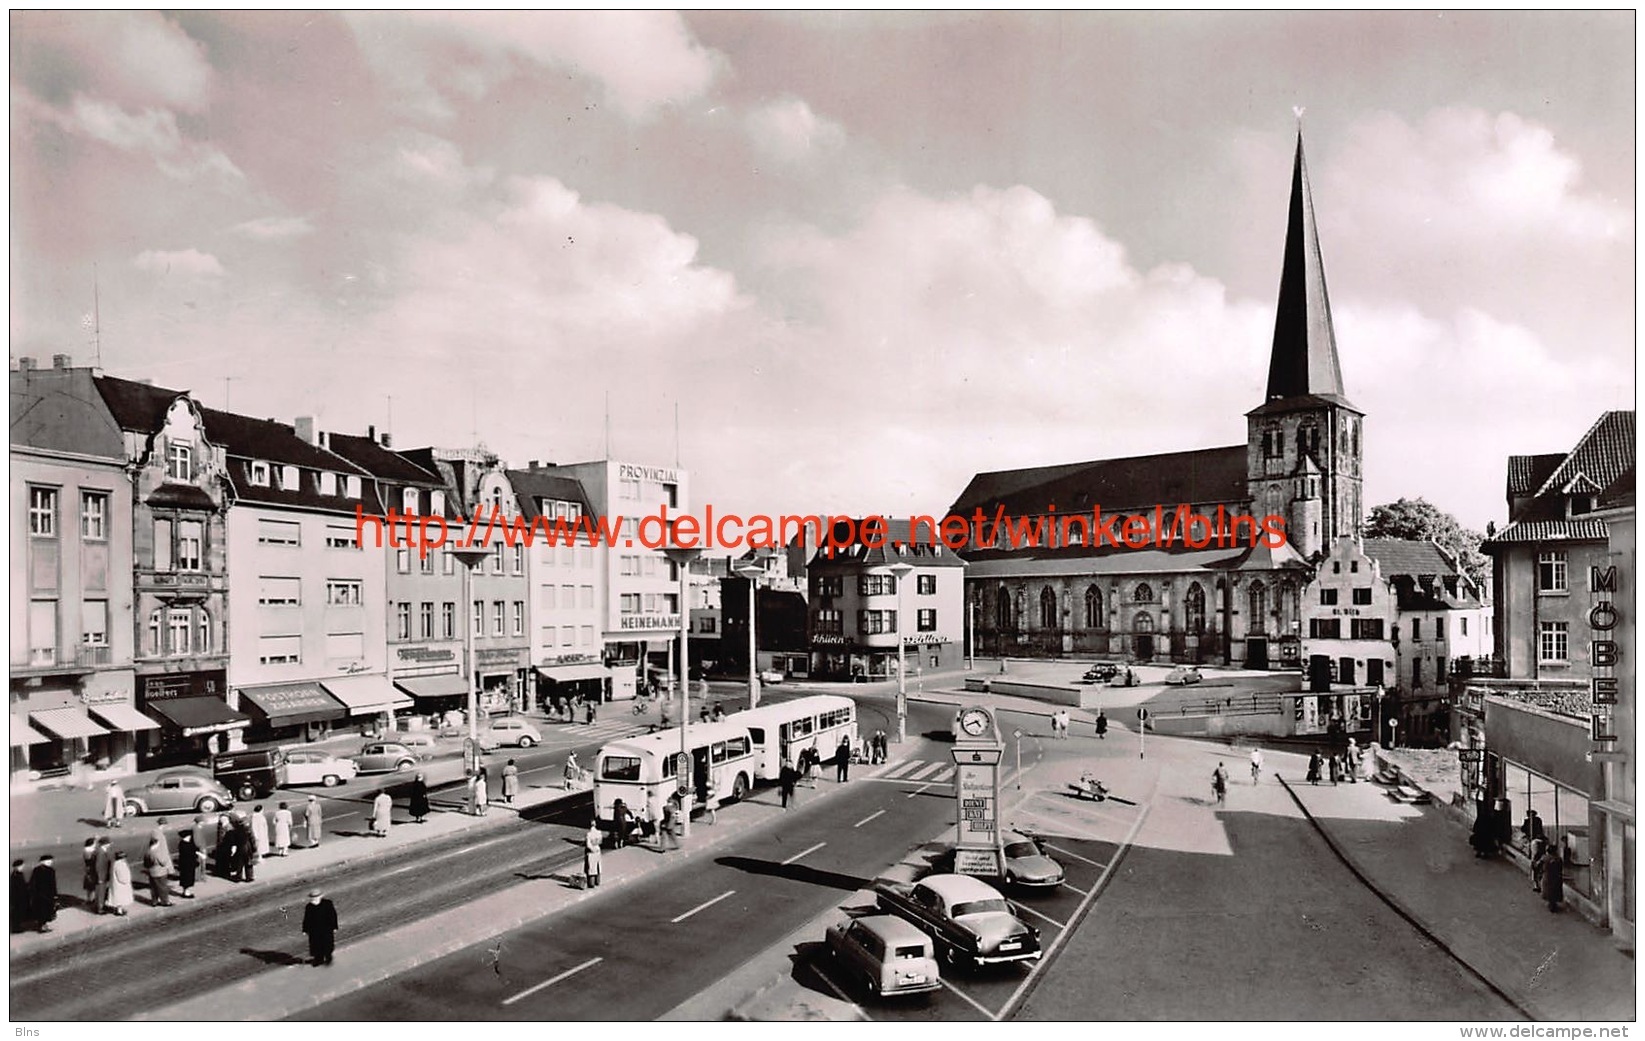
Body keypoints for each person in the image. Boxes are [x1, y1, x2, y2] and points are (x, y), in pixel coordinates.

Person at [302, 888, 339, 965]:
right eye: (313, 897)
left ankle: (328, 958)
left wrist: (334, 926)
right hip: (314, 930)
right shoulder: (309, 906)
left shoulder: (327, 904)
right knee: (316, 945)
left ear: (320, 896)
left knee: (327, 944)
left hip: (326, 929)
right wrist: (305, 929)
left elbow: (333, 915)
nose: (314, 898)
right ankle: (318, 959)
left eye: (316, 897)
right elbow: (307, 919)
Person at [30, 855, 58, 932]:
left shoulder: (39, 870)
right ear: (43, 862)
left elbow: (52, 884)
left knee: (44, 910)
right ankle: (42, 926)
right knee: (44, 910)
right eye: (49, 861)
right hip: (44, 894)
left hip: (43, 894)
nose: (50, 862)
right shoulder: (48, 870)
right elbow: (52, 884)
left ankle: (42, 924)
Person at [143, 837, 173, 908]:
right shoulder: (157, 853)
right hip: (160, 872)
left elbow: (145, 864)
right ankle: (165, 901)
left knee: (153, 887)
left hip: (151, 872)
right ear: (156, 844)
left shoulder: (147, 852)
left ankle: (154, 901)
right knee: (163, 887)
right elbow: (163, 862)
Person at [177, 829, 201, 899]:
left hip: (187, 864)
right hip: (187, 864)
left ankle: (186, 891)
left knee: (187, 878)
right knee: (187, 878)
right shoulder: (184, 844)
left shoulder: (184, 843)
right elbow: (190, 853)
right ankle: (186, 892)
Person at [108, 851, 133, 916]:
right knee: (120, 899)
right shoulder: (120, 865)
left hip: (116, 884)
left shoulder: (114, 864)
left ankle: (118, 910)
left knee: (118, 898)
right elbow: (122, 877)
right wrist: (127, 880)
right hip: (120, 885)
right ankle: (119, 911)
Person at [93, 836, 114, 914]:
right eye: (109, 843)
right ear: (105, 844)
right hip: (101, 876)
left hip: (102, 875)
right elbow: (98, 866)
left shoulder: (101, 851)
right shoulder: (100, 853)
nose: (109, 845)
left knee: (101, 892)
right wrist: (100, 877)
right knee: (100, 892)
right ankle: (100, 908)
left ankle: (100, 906)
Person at [1543, 842, 1565, 912]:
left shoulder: (1545, 858)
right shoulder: (1558, 859)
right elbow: (1560, 867)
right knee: (1555, 890)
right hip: (1556, 877)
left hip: (1548, 876)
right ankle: (1554, 904)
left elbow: (1539, 865)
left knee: (1549, 890)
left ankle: (1551, 904)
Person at [11, 860, 31, 934]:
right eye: (21, 866)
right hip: (17, 898)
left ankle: (19, 926)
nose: (22, 867)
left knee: (20, 912)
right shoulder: (15, 876)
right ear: (16, 867)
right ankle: (16, 928)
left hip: (21, 897)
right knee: (17, 913)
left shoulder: (19, 874)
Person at [583, 821, 603, 888]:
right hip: (597, 849)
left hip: (591, 852)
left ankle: (591, 883)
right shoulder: (599, 832)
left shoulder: (589, 834)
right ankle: (597, 881)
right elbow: (600, 841)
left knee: (591, 867)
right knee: (598, 866)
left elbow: (588, 845)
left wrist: (592, 849)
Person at [81, 837, 99, 904]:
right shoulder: (89, 850)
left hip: (88, 868)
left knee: (89, 884)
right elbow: (90, 859)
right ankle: (91, 899)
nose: (95, 844)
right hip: (92, 868)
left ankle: (89, 899)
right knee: (92, 883)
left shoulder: (86, 849)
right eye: (94, 843)